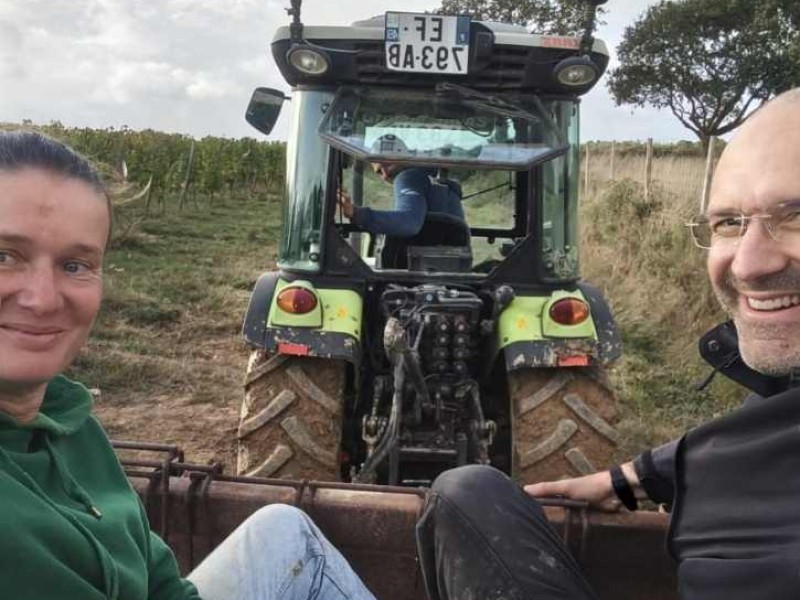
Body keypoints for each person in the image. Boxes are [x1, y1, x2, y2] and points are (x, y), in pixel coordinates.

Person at [415, 87, 800, 600]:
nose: (749, 264)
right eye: (729, 222)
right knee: (467, 490)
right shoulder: (779, 404)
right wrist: (634, 478)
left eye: (795, 216)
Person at [0, 130, 376, 600]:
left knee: (284, 530)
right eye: (4, 255)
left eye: (75, 264)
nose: (41, 299)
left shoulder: (71, 426)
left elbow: (159, 580)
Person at [337, 135, 465, 238]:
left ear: (402, 157)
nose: (385, 174)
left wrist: (356, 213)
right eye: (379, 172)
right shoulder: (436, 181)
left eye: (387, 165)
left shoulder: (408, 177)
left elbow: (409, 223)